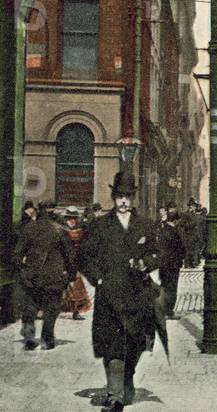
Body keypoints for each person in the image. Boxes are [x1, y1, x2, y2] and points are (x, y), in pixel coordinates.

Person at [79, 173, 162, 412]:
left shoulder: (145, 225)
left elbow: (157, 253)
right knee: (112, 344)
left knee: (136, 344)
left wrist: (146, 263)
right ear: (113, 197)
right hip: (110, 297)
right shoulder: (99, 226)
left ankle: (127, 378)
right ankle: (114, 396)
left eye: (127, 196)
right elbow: (84, 257)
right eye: (119, 196)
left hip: (138, 295)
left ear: (133, 198)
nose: (123, 201)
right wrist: (98, 279)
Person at [14, 202, 74, 350]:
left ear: (39, 212)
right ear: (53, 213)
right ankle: (47, 339)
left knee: (30, 307)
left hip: (31, 276)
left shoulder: (28, 228)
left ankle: (29, 338)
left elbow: (17, 254)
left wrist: (23, 270)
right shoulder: (60, 230)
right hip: (54, 277)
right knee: (51, 308)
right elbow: (69, 256)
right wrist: (71, 275)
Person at [61, 206, 92, 320]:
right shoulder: (61, 229)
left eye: (74, 218)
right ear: (66, 218)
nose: (72, 220)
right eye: (70, 218)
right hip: (62, 261)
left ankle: (76, 311)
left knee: (77, 287)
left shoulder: (80, 229)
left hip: (74, 261)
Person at [156, 204, 186, 319]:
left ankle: (162, 311)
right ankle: (169, 312)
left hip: (163, 263)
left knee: (164, 286)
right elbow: (181, 248)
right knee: (172, 288)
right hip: (173, 264)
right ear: (175, 221)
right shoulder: (174, 232)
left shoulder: (162, 230)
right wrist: (182, 257)